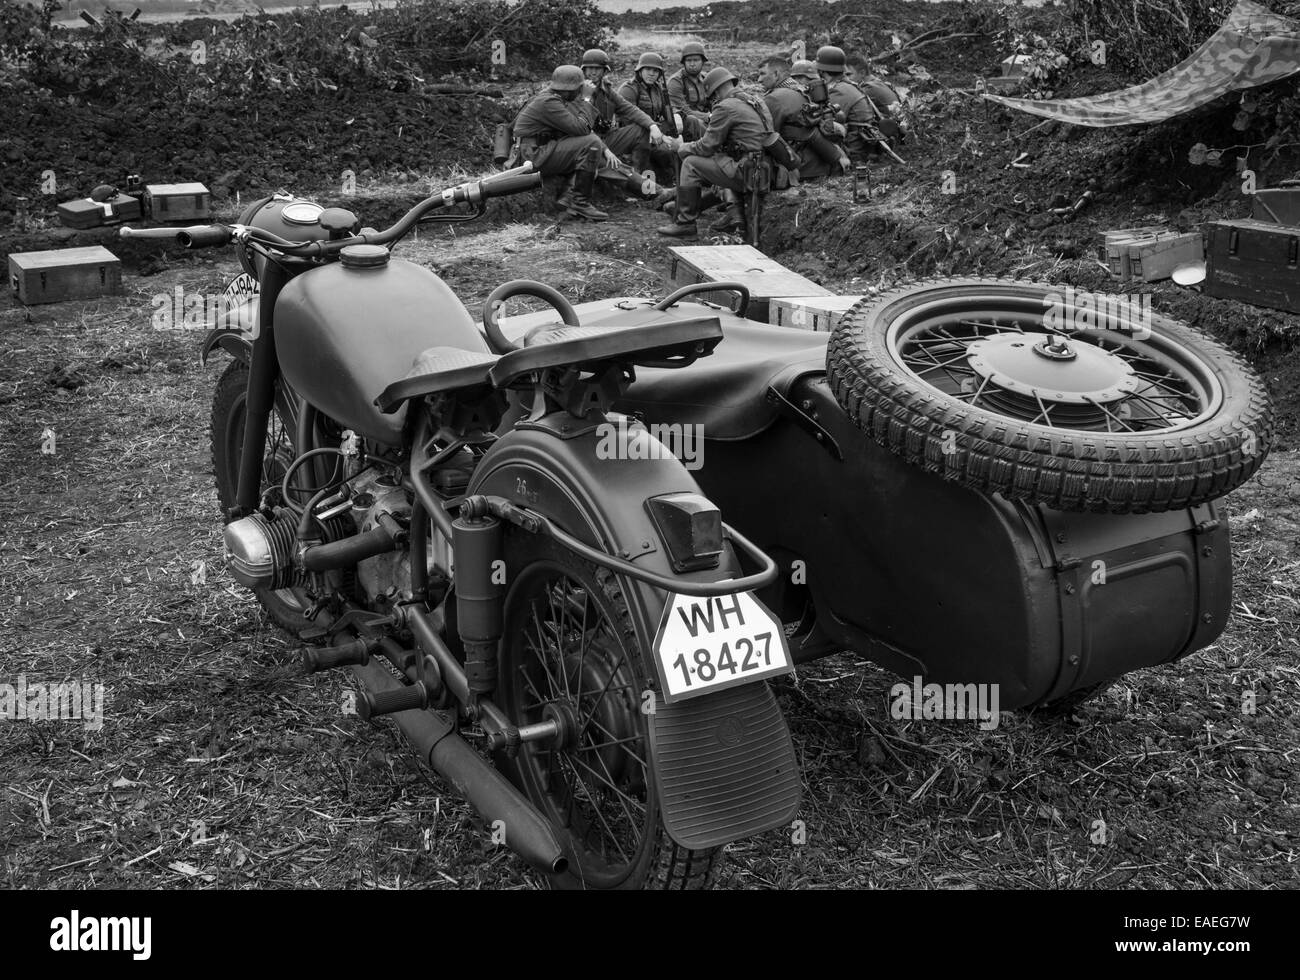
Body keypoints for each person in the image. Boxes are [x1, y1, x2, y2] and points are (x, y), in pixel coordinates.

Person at [657, 66, 773, 238]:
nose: (714, 99)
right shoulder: (756, 101)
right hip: (765, 169)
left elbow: (706, 146)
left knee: (691, 164)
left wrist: (681, 147)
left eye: (713, 95)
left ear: (717, 90)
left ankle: (685, 224)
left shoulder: (725, 107)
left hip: (747, 171)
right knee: (717, 160)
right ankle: (732, 214)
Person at [512, 65, 609, 221]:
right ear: (569, 90)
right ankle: (580, 203)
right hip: (532, 156)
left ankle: (568, 199)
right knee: (591, 142)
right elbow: (582, 128)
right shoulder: (549, 102)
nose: (580, 91)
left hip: (538, 151)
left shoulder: (552, 98)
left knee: (590, 153)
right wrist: (586, 99)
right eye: (579, 89)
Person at [580, 47, 663, 195]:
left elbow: (629, 109)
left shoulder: (607, 90)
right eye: (589, 68)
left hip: (606, 137)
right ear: (583, 70)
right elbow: (581, 128)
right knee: (615, 168)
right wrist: (605, 149)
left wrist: (652, 125)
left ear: (604, 71)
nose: (593, 72)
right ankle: (650, 191)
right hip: (588, 143)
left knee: (642, 129)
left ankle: (642, 176)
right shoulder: (577, 91)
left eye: (597, 69)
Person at [760, 56, 850, 182]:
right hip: (822, 166)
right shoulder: (803, 90)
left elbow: (766, 136)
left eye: (762, 74)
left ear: (776, 74)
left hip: (803, 171)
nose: (759, 79)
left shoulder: (774, 98)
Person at [814, 45, 905, 163]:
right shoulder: (847, 85)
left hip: (854, 154)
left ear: (821, 72)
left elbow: (826, 123)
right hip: (862, 149)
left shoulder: (839, 90)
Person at [617, 52, 680, 188]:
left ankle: (671, 183)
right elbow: (628, 120)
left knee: (675, 147)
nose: (652, 74)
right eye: (648, 70)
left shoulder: (658, 89)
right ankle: (647, 189)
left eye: (655, 71)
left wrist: (676, 116)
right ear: (640, 71)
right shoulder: (629, 89)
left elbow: (667, 109)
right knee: (664, 151)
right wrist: (659, 134)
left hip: (653, 132)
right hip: (635, 136)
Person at [666, 41, 711, 140]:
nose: (692, 64)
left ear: (703, 61)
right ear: (684, 62)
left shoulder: (706, 78)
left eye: (696, 60)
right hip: (687, 121)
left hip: (705, 118)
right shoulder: (676, 81)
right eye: (689, 60)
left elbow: (716, 99)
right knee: (696, 122)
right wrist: (707, 117)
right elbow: (683, 110)